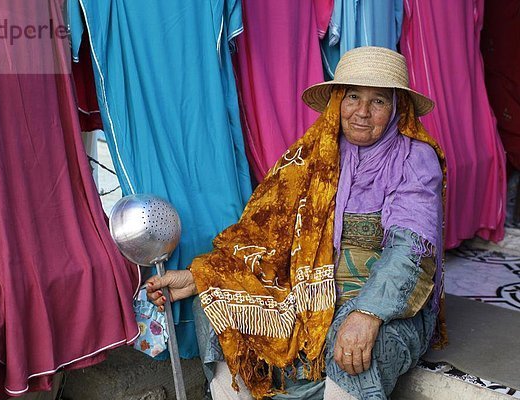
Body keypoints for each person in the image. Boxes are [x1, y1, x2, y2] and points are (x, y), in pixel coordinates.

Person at [146, 46, 446, 400]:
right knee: (215, 305)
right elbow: (260, 237)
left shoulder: (414, 158)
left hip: (383, 304)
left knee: (358, 347)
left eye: (378, 101)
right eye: (353, 96)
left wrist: (367, 313)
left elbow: (410, 252)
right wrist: (201, 277)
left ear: (398, 108)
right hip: (309, 294)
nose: (362, 112)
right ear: (337, 101)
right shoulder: (312, 154)